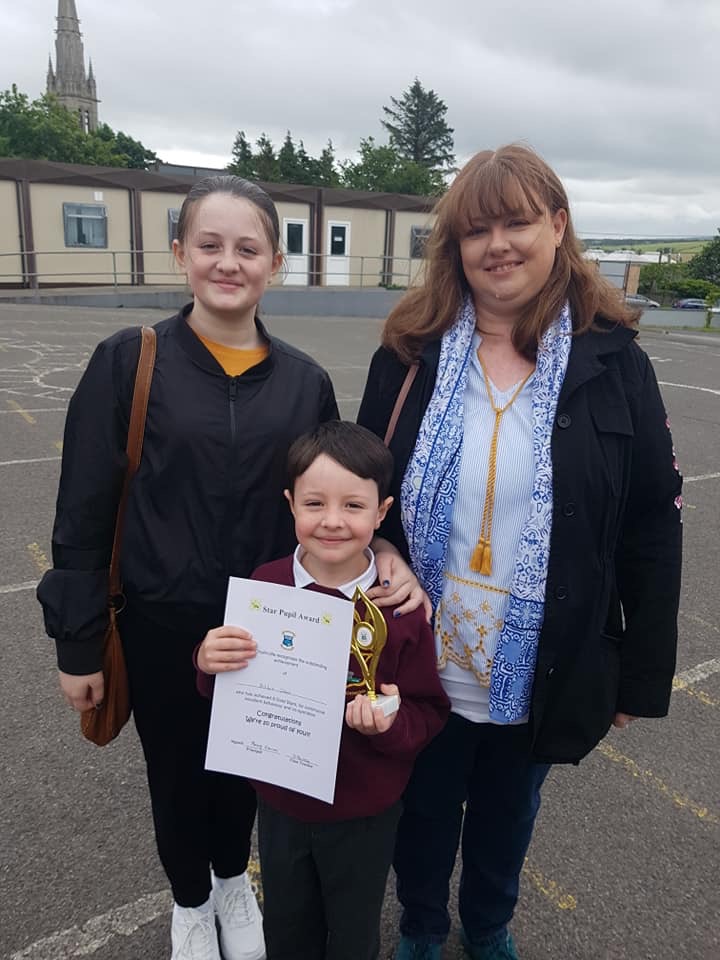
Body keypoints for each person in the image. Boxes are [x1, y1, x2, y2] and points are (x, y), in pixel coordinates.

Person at [37, 176, 425, 960]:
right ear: (179, 253)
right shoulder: (128, 361)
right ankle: (190, 901)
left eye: (248, 248)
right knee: (176, 775)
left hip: (274, 623)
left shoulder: (304, 381)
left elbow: (337, 490)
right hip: (160, 622)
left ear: (274, 263)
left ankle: (229, 880)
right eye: (209, 245)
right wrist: (78, 645)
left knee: (252, 768)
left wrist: (386, 547)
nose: (228, 262)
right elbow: (81, 509)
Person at [356, 144, 683, 960]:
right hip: (422, 651)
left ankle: (489, 923)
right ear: (456, 247)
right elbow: (362, 487)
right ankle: (422, 925)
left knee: (509, 813)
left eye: (517, 223)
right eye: (477, 230)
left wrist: (640, 673)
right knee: (423, 809)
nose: (497, 245)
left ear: (558, 227)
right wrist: (383, 545)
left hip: (542, 657)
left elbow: (651, 523)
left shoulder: (616, 365)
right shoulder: (409, 356)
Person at [196, 420, 450, 960]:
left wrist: (389, 723)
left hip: (364, 811)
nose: (332, 521)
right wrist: (207, 662)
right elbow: (233, 687)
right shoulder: (263, 588)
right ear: (290, 504)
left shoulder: (398, 610)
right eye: (314, 504)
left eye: (353, 506)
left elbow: (429, 711)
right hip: (280, 803)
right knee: (288, 928)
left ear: (382, 513)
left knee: (353, 934)